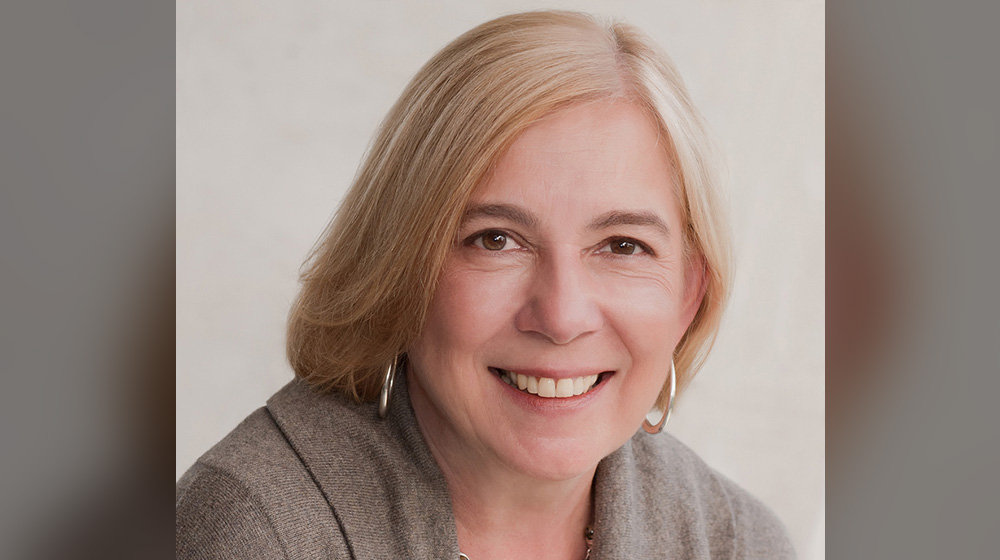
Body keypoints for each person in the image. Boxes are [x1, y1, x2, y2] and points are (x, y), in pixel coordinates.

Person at [176, 10, 795, 559]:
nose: (561, 315)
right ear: (399, 270)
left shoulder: (736, 544)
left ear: (691, 294)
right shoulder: (256, 531)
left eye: (622, 246)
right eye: (495, 239)